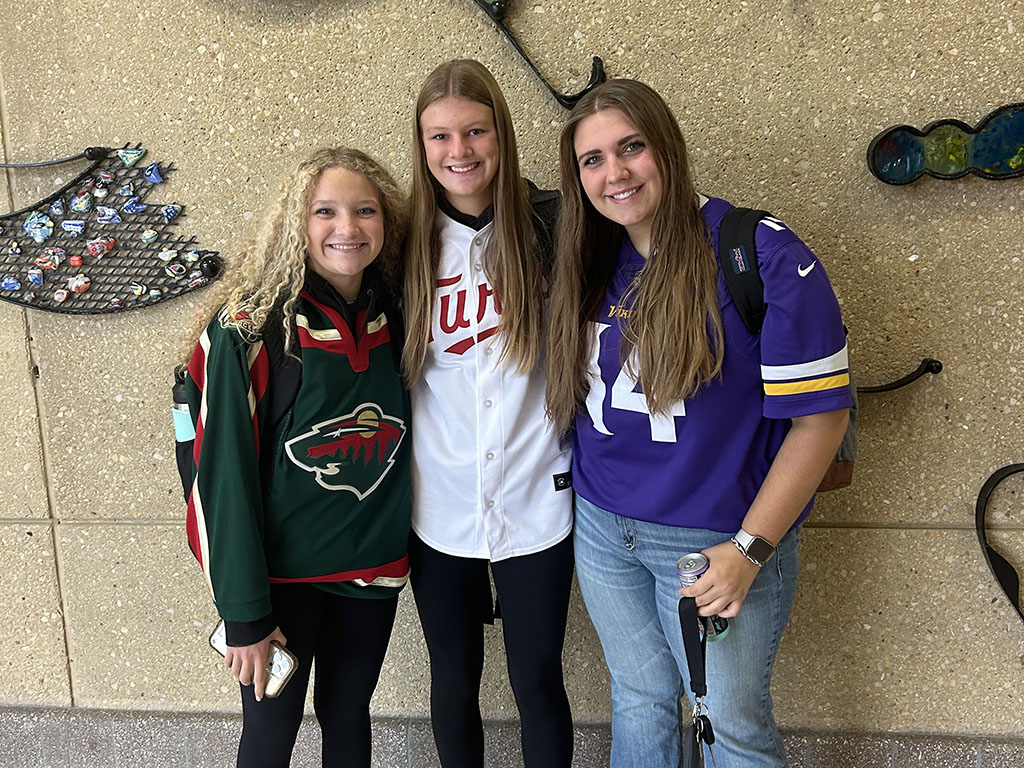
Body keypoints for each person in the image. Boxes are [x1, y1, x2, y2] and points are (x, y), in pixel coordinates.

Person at [546, 79, 853, 768]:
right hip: (602, 530)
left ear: (668, 147)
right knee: (638, 699)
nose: (614, 172)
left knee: (732, 726)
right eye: (592, 160)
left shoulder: (757, 251)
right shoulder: (588, 259)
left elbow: (822, 418)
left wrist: (749, 550)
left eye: (632, 147)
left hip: (714, 538)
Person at [180, 147, 411, 768]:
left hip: (371, 573)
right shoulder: (249, 330)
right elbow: (220, 482)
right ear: (295, 223)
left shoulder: (401, 311)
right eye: (325, 211)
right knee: (270, 736)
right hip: (279, 588)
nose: (348, 228)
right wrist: (244, 615)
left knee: (349, 716)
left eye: (366, 211)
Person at [403, 59, 574, 768]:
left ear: (500, 134)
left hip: (539, 497)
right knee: (453, 680)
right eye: (440, 136)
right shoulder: (401, 243)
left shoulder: (553, 226)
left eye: (474, 131)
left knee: (537, 679)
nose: (459, 151)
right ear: (422, 146)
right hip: (437, 505)